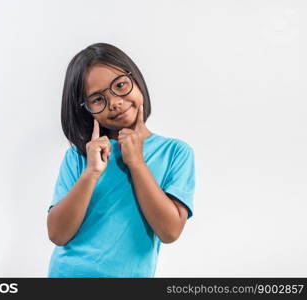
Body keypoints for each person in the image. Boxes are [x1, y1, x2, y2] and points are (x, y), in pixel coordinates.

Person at [46, 42, 196, 278]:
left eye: (120, 85)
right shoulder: (79, 156)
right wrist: (91, 173)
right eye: (97, 99)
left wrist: (136, 162)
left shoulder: (175, 152)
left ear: (136, 79)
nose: (114, 102)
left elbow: (169, 231)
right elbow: (57, 234)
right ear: (86, 109)